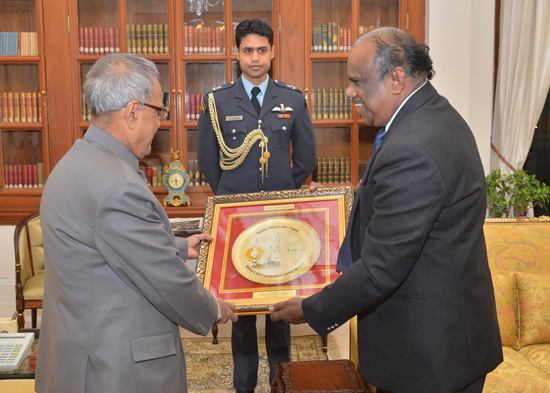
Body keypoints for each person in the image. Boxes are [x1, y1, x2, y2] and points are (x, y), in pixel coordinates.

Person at [270, 27, 503, 393]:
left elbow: (381, 269)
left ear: (396, 79)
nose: (349, 92)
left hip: (429, 355)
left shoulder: (411, 147)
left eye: (357, 81)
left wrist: (312, 309)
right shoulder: (432, 116)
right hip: (449, 339)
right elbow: (406, 204)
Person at [35, 53, 237, 393]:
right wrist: (212, 307)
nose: (160, 122)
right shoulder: (118, 185)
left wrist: (178, 246)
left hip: (77, 354)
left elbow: (106, 246)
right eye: (158, 111)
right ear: (133, 112)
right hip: (114, 369)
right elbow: (165, 281)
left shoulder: (74, 162)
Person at [197, 19, 317, 393]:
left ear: (272, 52)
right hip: (238, 223)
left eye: (262, 50)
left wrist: (282, 194)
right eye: (247, 50)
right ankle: (244, 386)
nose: (255, 58)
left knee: (281, 308)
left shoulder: (293, 98)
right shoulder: (217, 101)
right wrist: (236, 197)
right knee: (242, 313)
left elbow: (307, 160)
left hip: (282, 221)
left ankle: (282, 383)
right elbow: (208, 161)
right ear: (236, 53)